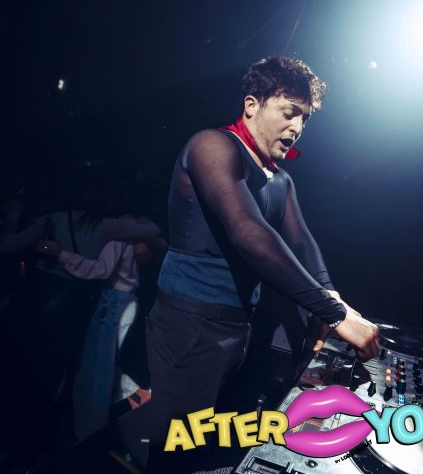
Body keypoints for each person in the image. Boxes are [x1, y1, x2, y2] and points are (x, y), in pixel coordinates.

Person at [145, 56, 380, 470]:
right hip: (189, 325)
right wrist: (334, 313)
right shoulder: (211, 146)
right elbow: (249, 233)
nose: (297, 127)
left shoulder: (279, 179)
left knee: (218, 448)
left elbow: (302, 244)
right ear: (252, 105)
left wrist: (333, 298)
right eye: (289, 113)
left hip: (239, 328)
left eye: (304, 118)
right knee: (177, 454)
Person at [37, 229, 164, 440]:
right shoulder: (134, 232)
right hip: (123, 301)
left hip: (114, 303)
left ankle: (90, 435)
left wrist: (60, 253)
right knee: (104, 368)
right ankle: (142, 404)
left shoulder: (119, 233)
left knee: (96, 371)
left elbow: (102, 270)